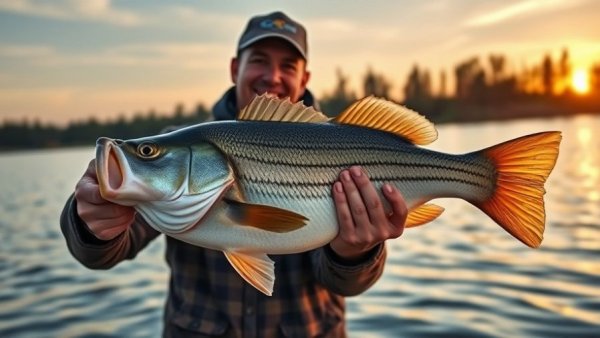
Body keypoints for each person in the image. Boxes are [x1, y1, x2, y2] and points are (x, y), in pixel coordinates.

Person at [61, 11, 408, 338]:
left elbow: (348, 285)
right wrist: (90, 224)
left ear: (304, 79)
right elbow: (102, 254)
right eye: (258, 60)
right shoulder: (178, 143)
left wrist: (355, 253)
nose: (272, 76)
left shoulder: (347, 144)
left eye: (288, 65)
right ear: (234, 68)